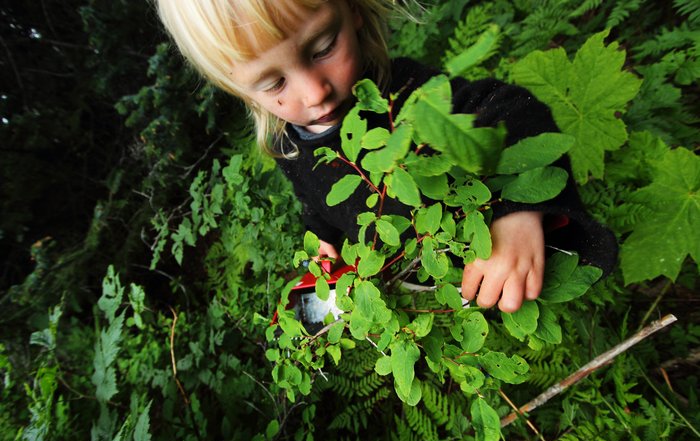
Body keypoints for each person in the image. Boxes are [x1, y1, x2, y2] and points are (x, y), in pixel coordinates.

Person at [155, 0, 617, 313]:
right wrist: (321, 239)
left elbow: (516, 114)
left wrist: (516, 213)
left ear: (352, 11)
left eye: (322, 47)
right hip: (431, 286)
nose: (315, 92)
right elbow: (317, 201)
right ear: (238, 89)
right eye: (274, 83)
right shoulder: (289, 145)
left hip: (490, 254)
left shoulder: (406, 97)